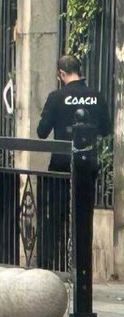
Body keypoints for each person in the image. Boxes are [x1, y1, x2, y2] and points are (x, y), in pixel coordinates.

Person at [35, 54, 111, 270]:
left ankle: (58, 265)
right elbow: (106, 130)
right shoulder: (96, 96)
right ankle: (82, 267)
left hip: (61, 165)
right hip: (88, 165)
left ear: (61, 74)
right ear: (80, 70)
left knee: (58, 215)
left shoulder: (56, 97)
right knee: (84, 215)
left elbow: (42, 132)